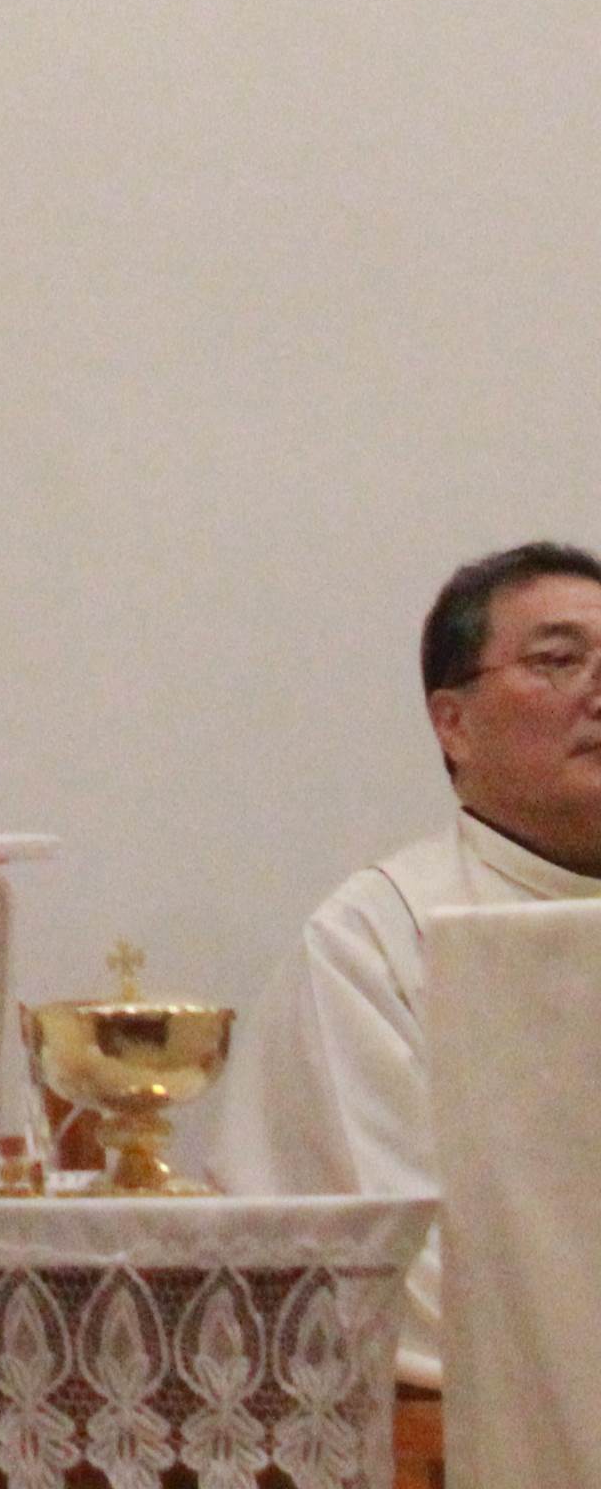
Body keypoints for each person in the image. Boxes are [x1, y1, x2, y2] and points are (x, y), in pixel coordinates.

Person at [208, 540, 601, 1381]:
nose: (598, 689)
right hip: (479, 1421)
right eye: (558, 661)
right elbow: (395, 1269)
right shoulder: (377, 941)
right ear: (452, 723)